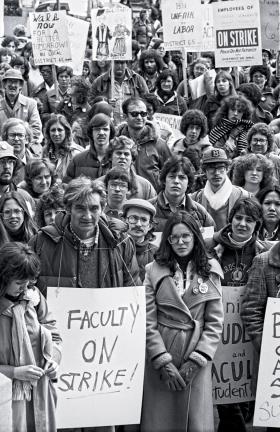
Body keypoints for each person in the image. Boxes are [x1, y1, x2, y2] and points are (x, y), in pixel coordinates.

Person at [141, 211, 223, 432]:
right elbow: (147, 320)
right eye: (174, 237)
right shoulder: (153, 270)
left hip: (196, 357)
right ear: (167, 240)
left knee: (194, 421)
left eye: (186, 235)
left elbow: (215, 323)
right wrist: (162, 361)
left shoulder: (211, 270)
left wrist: (196, 361)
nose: (180, 242)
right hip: (162, 355)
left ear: (195, 236)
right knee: (161, 421)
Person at [207, 197, 267, 432]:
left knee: (243, 401)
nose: (242, 224)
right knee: (227, 401)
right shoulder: (212, 249)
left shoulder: (264, 253)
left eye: (249, 220)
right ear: (230, 220)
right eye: (238, 218)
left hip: (249, 334)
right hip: (220, 334)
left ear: (256, 225)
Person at [29, 177, 141, 297]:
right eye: (80, 208)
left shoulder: (121, 243)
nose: (87, 216)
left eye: (94, 208)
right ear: (68, 208)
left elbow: (132, 292)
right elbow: (28, 289)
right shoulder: (41, 243)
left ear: (102, 209)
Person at [0, 242, 62, 432]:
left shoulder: (34, 298)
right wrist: (14, 372)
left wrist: (54, 360)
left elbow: (54, 334)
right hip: (5, 396)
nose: (25, 288)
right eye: (19, 283)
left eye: (28, 282)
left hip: (40, 393)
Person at [117, 97, 171, 192]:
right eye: (134, 114)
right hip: (123, 197)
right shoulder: (116, 144)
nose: (139, 117)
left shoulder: (159, 144)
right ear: (125, 117)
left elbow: (171, 173)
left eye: (143, 114)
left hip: (152, 200)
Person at [150, 155, 215, 232]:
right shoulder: (149, 209)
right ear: (164, 180)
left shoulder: (199, 213)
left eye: (182, 177)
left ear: (188, 182)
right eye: (172, 176)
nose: (176, 181)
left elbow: (211, 239)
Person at [191, 148, 249, 231]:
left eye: (220, 168)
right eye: (211, 168)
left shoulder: (243, 196)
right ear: (205, 171)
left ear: (227, 169)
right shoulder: (196, 198)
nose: (217, 173)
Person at [0, 69, 42, 156]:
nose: (12, 85)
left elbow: (36, 129)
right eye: (10, 82)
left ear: (21, 85)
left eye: (16, 82)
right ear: (4, 84)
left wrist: (23, 143)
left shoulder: (30, 104)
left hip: (25, 148)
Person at [63, 113, 115, 183]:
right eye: (97, 129)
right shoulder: (77, 160)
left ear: (110, 132)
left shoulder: (119, 158)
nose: (101, 133)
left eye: (105, 129)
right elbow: (66, 186)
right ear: (91, 132)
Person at [123, 198, 157, 282]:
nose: (138, 224)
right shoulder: (116, 250)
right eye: (133, 218)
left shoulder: (157, 253)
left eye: (144, 220)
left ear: (150, 226)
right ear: (124, 221)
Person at [43, 114, 83, 180]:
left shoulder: (75, 153)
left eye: (60, 130)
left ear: (66, 132)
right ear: (48, 133)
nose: (56, 134)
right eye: (53, 130)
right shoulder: (45, 151)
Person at [0, 141, 35, 214]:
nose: (7, 167)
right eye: (1, 162)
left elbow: (31, 224)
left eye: (10, 162)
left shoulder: (24, 197)